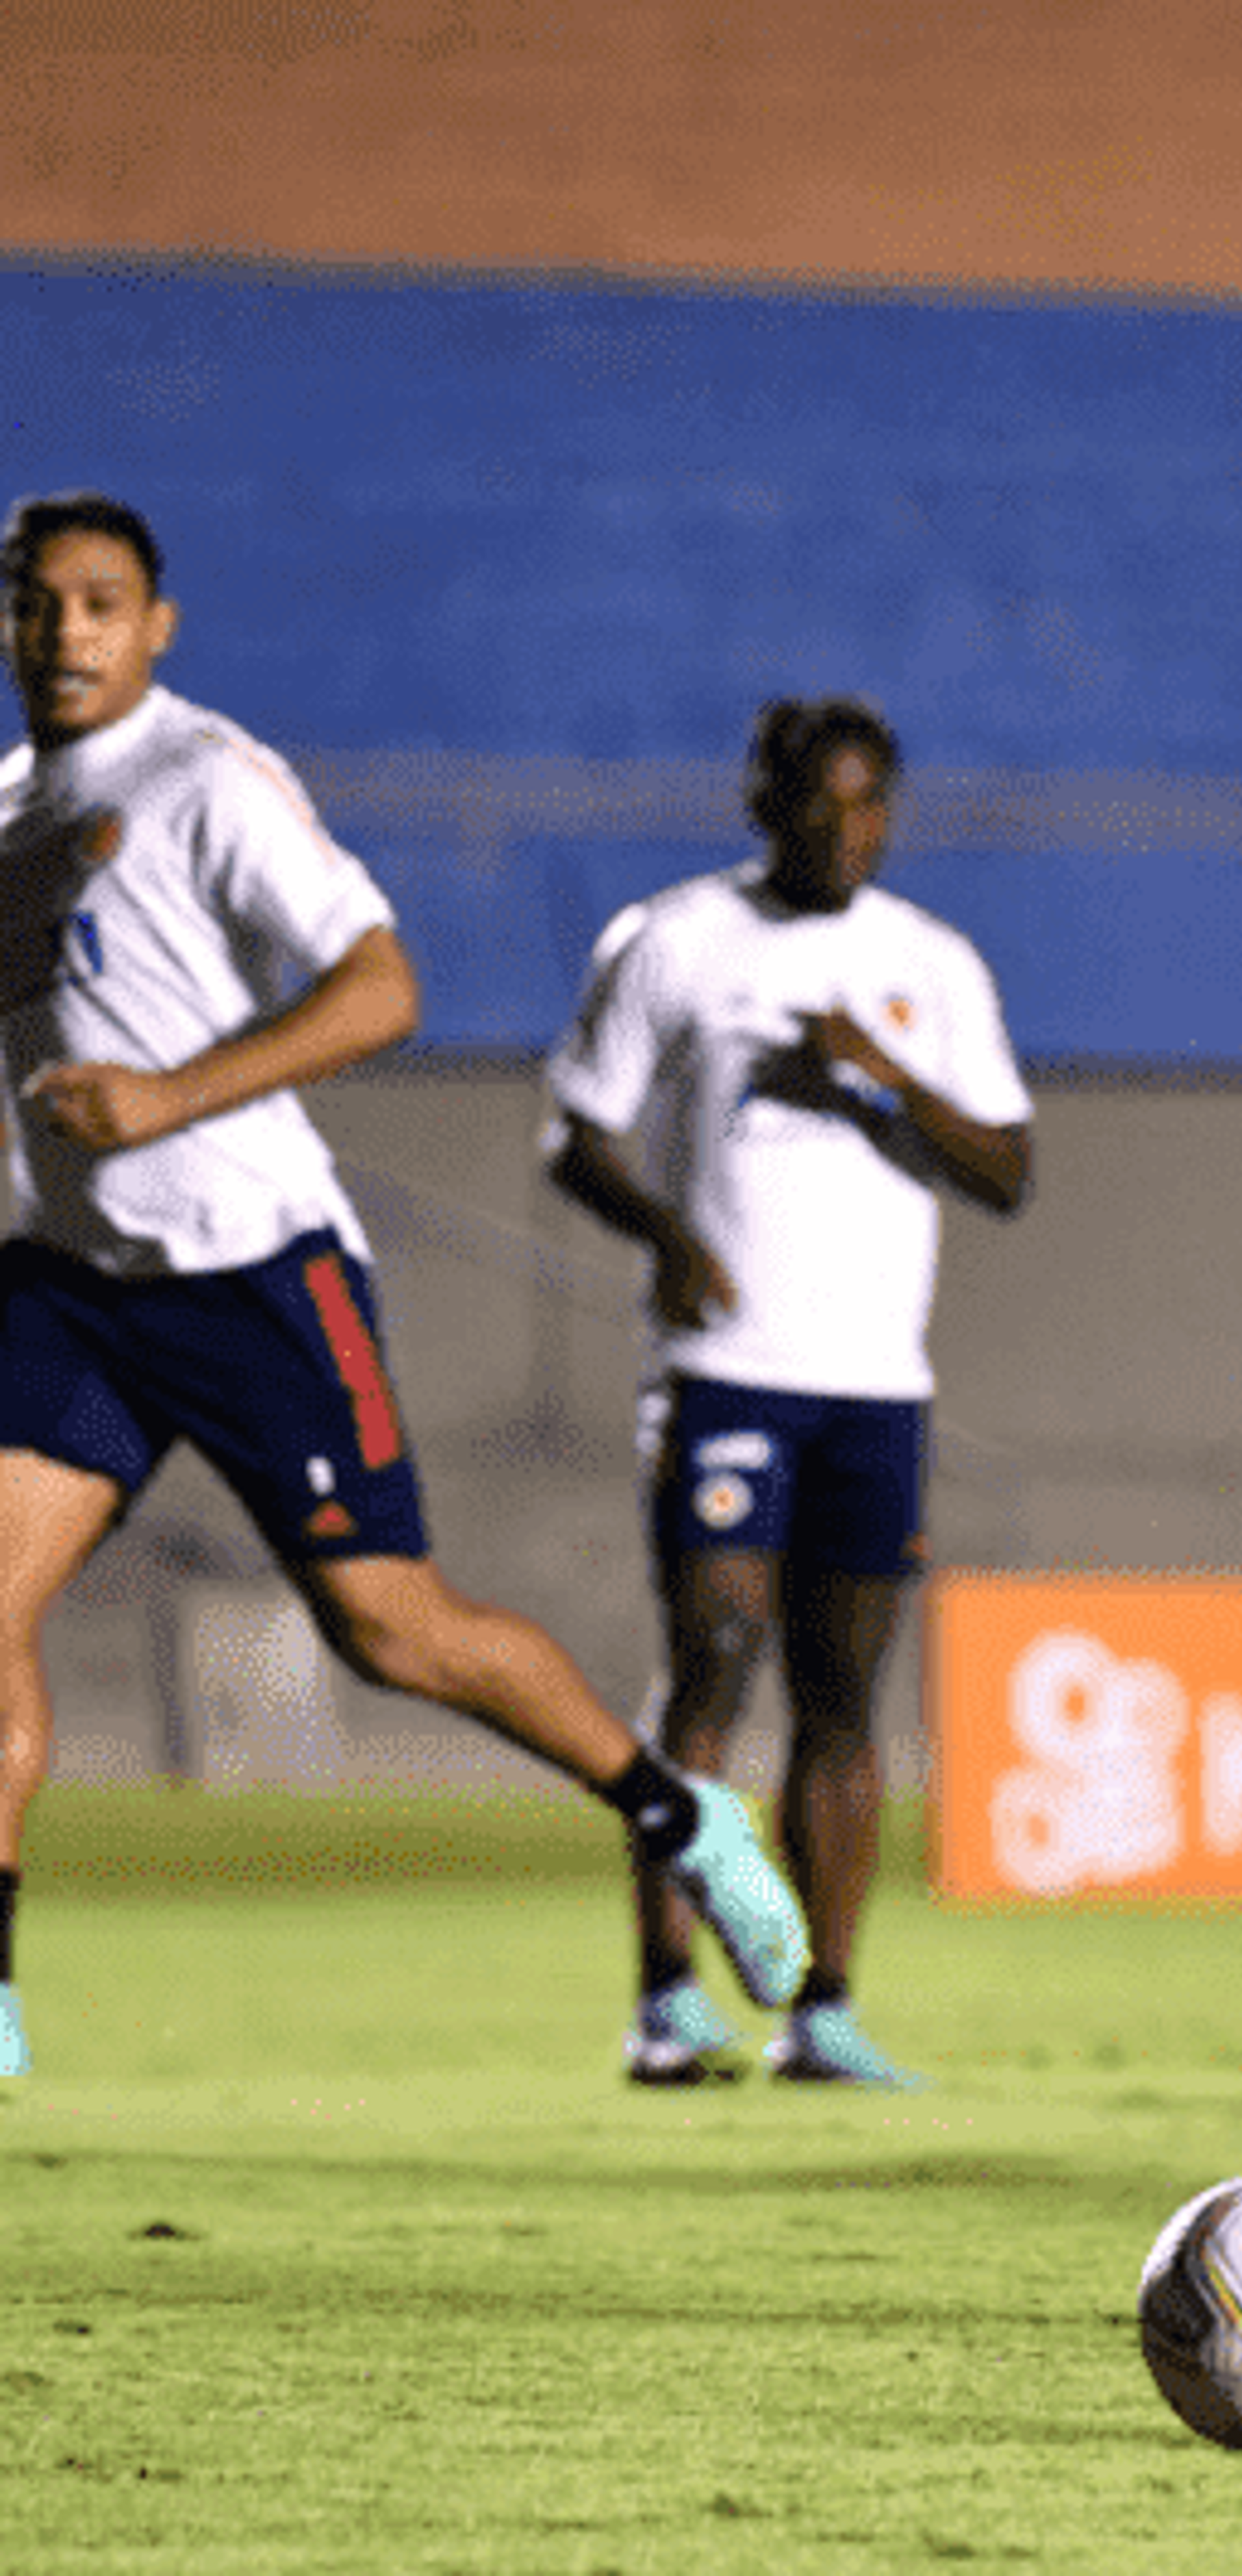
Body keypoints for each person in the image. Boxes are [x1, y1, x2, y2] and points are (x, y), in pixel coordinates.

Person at [0, 490, 809, 2081]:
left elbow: (384, 986)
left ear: (156, 627)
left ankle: (680, 1813)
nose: (66, 631)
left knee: (394, 1629)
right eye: (37, 602)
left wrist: (166, 1098)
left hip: (252, 1274)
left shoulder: (207, 783)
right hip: (72, 1282)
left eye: (101, 603)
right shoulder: (11, 804)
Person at [542, 694, 1032, 2088]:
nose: (844, 829)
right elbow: (575, 1133)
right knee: (714, 1655)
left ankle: (825, 2005)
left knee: (841, 1692)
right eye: (818, 803)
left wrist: (879, 1082)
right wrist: (665, 1234)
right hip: (725, 1368)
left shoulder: (928, 965)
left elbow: (1005, 1170)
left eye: (869, 802)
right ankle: (667, 1996)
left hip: (875, 1381)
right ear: (763, 804)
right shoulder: (674, 941)